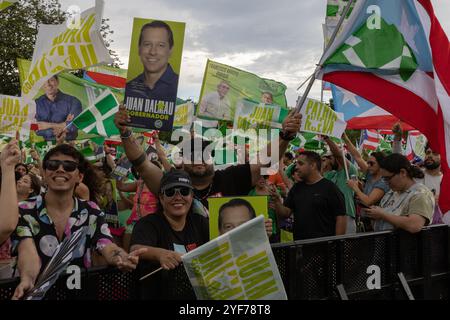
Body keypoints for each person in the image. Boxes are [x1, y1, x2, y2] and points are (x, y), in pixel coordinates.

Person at [9, 144, 146, 299]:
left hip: (79, 293)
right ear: (45, 174)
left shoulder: (91, 210)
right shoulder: (24, 209)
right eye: (53, 165)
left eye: (69, 166)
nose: (60, 169)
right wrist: (28, 278)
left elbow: (106, 244)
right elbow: (26, 251)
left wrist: (121, 257)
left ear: (79, 177)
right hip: (36, 295)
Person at [114, 105, 301, 212]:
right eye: (191, 154)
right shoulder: (172, 185)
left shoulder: (230, 177)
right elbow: (142, 163)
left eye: (204, 154)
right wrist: (125, 132)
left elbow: (265, 160)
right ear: (182, 161)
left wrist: (285, 136)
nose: (199, 159)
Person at [129, 170, 209, 299]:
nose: (178, 197)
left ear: (191, 196)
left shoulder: (200, 222)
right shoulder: (148, 223)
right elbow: (136, 249)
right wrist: (161, 254)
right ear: (161, 197)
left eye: (184, 191)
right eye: (170, 192)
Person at [272, 151, 347, 240]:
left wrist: (337, 244)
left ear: (313, 165)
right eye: (296, 164)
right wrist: (276, 200)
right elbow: (285, 214)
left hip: (324, 247)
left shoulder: (330, 188)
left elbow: (341, 217)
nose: (296, 167)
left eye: (300, 164)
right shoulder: (296, 188)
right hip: (301, 247)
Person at [365, 153, 435, 233]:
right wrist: (375, 214)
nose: (386, 182)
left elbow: (414, 225)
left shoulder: (420, 194)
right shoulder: (391, 193)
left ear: (403, 172)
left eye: (388, 178)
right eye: (384, 179)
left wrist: (382, 215)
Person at [125, 20, 179, 102]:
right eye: (147, 44)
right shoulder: (127, 89)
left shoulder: (179, 89)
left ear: (170, 50)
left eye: (161, 45)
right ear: (139, 49)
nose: (152, 52)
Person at [35, 75, 82, 141]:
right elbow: (34, 127)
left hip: (70, 144)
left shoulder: (73, 101)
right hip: (48, 146)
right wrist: (63, 126)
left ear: (57, 81)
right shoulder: (36, 104)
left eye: (51, 80)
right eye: (44, 81)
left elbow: (75, 125)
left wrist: (47, 125)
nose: (48, 84)